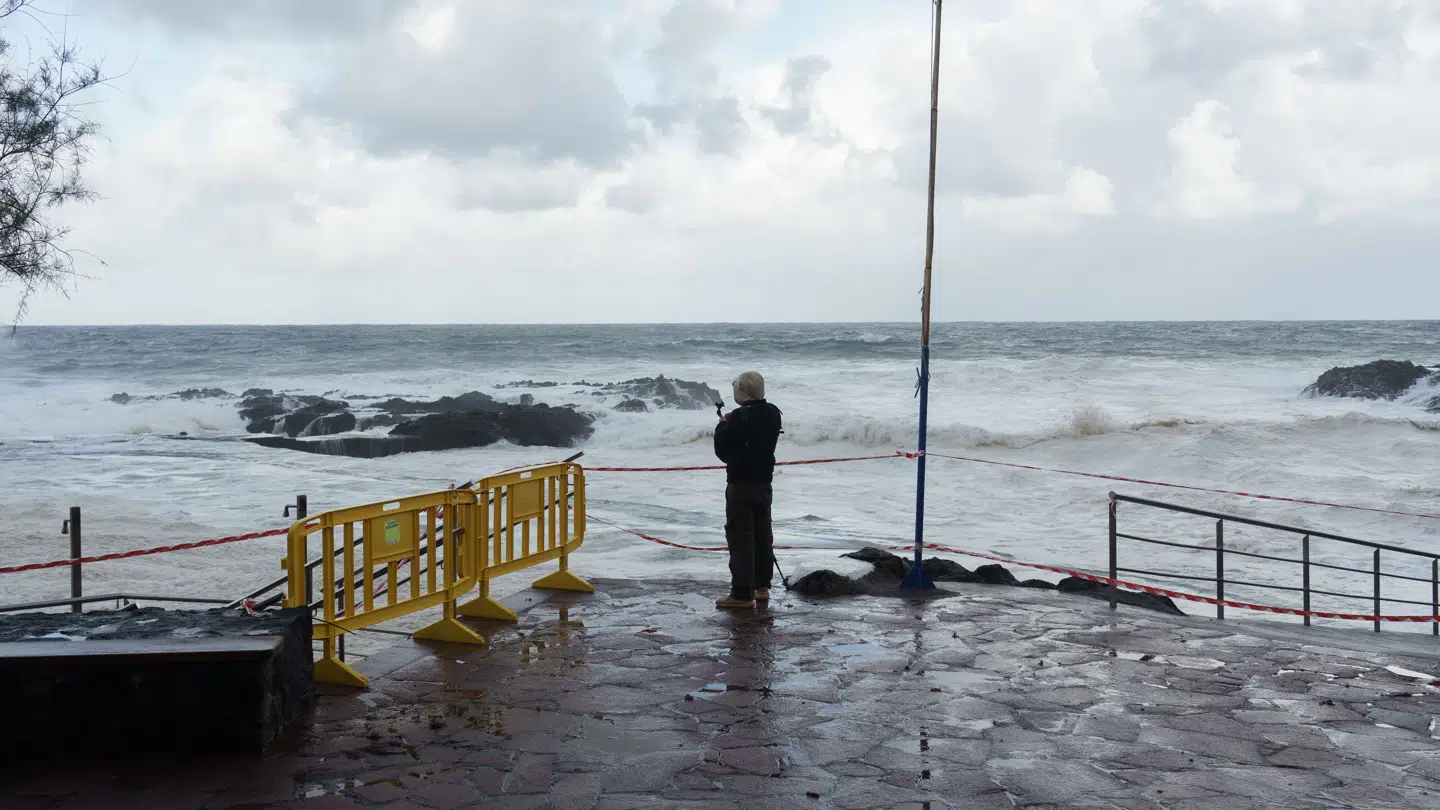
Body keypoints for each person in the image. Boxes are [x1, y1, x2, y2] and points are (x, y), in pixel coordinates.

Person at [713, 370, 783, 609]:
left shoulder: (739, 417)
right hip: (764, 483)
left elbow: (723, 451)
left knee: (740, 537)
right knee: (763, 535)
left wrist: (721, 427)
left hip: (740, 484)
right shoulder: (773, 413)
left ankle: (742, 594)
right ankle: (762, 587)